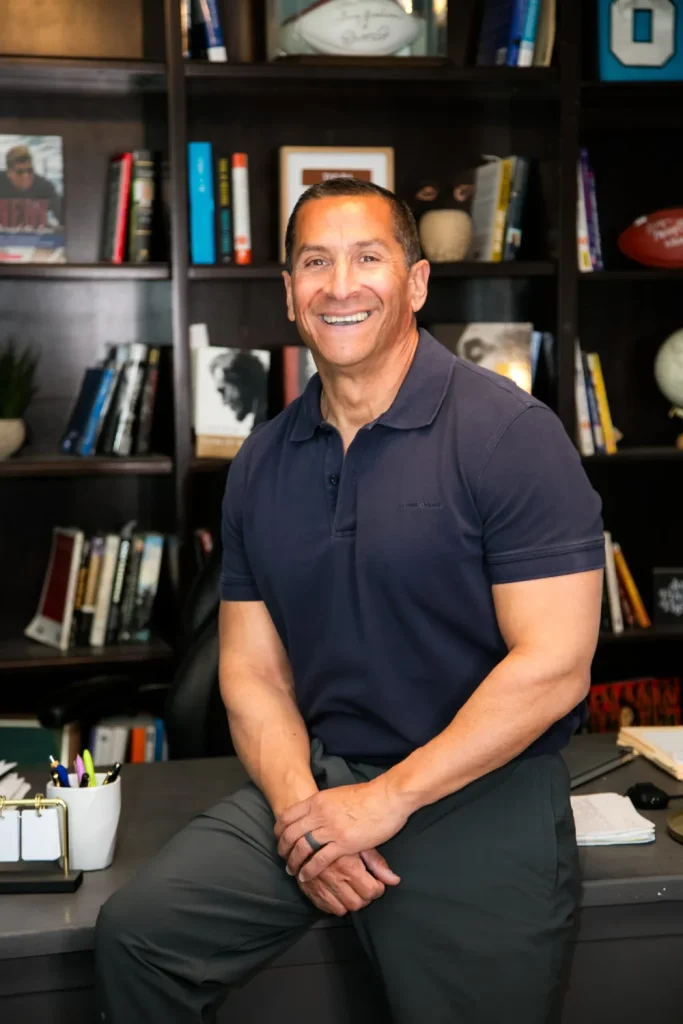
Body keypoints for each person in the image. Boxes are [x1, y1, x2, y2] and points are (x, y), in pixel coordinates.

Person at [95, 178, 605, 1023]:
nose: (339, 286)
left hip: (482, 790)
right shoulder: (261, 462)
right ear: (289, 292)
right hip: (323, 780)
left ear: (415, 282)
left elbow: (554, 666)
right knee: (139, 937)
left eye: (367, 258)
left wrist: (385, 802)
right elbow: (252, 673)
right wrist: (306, 818)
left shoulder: (510, 436)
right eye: (314, 263)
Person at [0, 144, 63, 224]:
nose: (26, 176)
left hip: (36, 230)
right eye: (20, 172)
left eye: (30, 171)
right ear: (9, 173)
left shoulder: (44, 187)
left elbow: (62, 216)